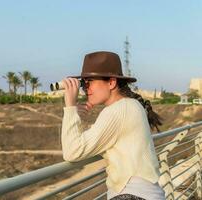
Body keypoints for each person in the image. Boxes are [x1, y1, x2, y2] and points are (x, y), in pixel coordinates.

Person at [61, 51, 165, 200]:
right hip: (147, 193)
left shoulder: (116, 111)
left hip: (131, 194)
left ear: (111, 82)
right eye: (83, 84)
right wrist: (75, 115)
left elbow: (72, 152)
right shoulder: (131, 105)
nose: (86, 88)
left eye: (89, 82)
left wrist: (70, 107)